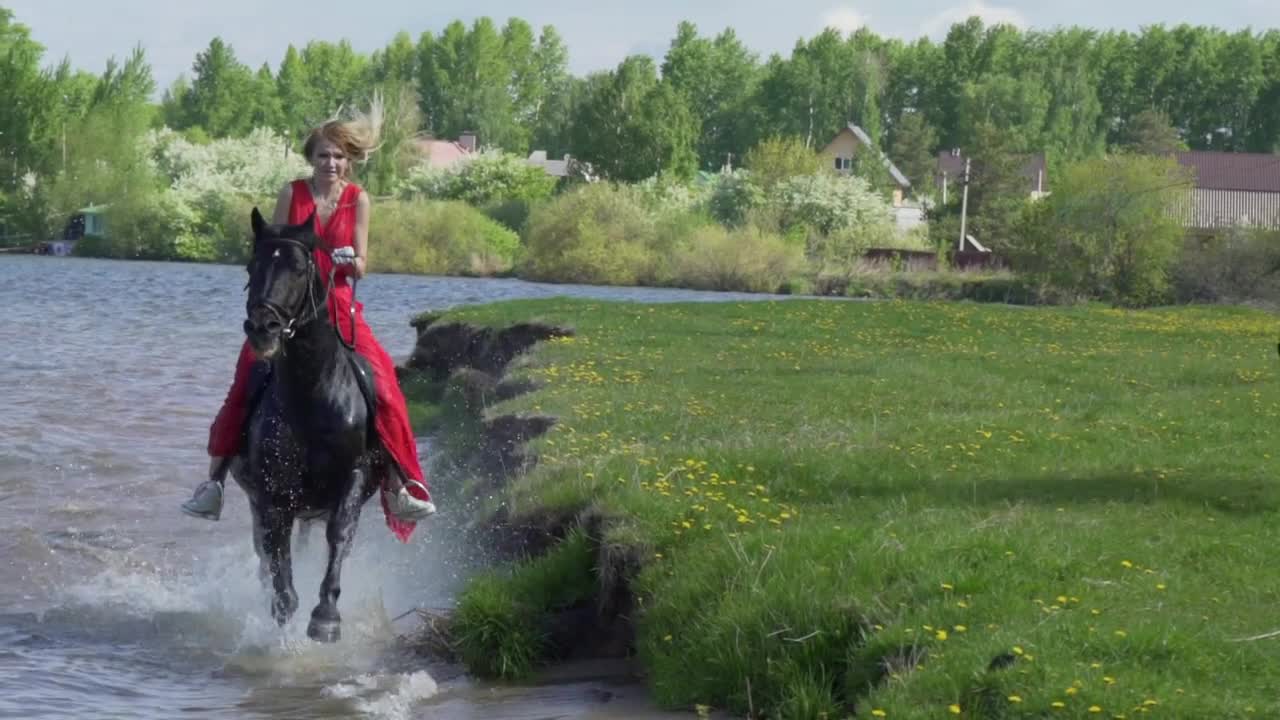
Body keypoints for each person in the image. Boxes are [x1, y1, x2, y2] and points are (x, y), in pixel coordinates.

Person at [181, 113, 436, 542]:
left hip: (335, 304)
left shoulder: (359, 199)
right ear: (311, 158)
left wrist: (343, 259)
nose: (330, 163)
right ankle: (215, 481)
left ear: (348, 161)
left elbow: (362, 264)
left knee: (385, 384)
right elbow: (275, 242)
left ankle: (399, 483)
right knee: (247, 374)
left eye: (337, 156)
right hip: (289, 305)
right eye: (323, 155)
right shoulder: (292, 192)